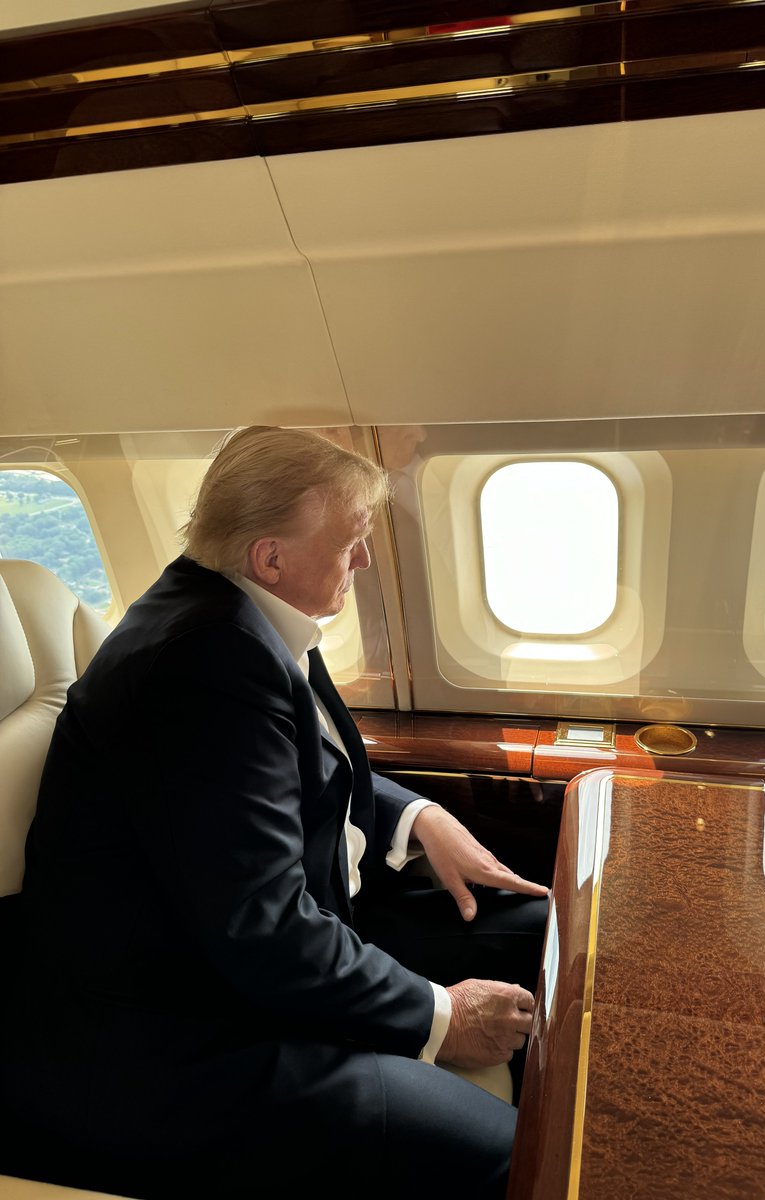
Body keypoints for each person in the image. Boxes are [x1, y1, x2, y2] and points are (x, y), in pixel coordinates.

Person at [3, 426, 548, 1199]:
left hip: (262, 945)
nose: (364, 560)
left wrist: (416, 817)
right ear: (271, 556)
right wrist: (440, 1016)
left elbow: (293, 768)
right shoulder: (199, 667)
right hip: (177, 1033)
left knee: (546, 937)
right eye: (352, 541)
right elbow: (265, 934)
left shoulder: (241, 612)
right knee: (514, 1155)